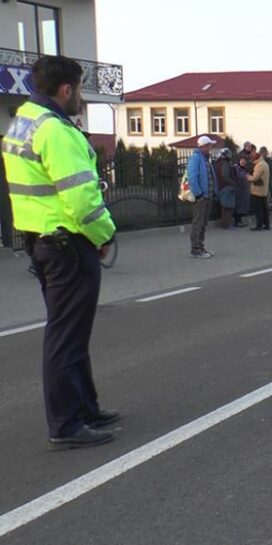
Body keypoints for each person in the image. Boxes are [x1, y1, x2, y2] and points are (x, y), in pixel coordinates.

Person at [2, 56, 119, 449]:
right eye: (80, 90)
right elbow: (82, 199)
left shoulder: (20, 124)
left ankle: (85, 406)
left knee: (71, 331)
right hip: (68, 242)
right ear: (65, 89)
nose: (81, 98)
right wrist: (105, 235)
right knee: (66, 336)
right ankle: (66, 423)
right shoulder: (56, 131)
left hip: (42, 240)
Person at [187, 135, 217, 257]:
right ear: (204, 146)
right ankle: (195, 249)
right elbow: (192, 177)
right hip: (201, 197)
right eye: (209, 145)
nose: (211, 148)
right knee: (198, 223)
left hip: (207, 196)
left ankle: (201, 247)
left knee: (203, 223)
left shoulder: (205, 159)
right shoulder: (196, 158)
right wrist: (198, 193)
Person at [246, 150, 271, 231]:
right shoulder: (264, 164)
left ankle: (259, 225)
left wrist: (248, 176)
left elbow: (255, 178)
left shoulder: (259, 165)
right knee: (264, 208)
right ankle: (266, 225)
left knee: (258, 209)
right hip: (264, 190)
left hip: (257, 190)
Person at [214, 149, 238, 229]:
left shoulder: (217, 163)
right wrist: (232, 183)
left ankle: (225, 223)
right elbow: (225, 175)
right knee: (228, 206)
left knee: (224, 206)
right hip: (226, 187)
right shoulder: (225, 163)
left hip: (220, 187)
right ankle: (227, 224)